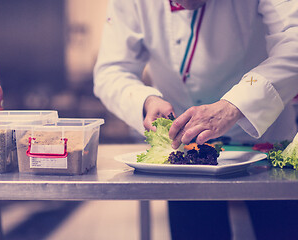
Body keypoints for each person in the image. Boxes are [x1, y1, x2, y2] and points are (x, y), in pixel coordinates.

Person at [94, 0, 298, 239]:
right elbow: (111, 70)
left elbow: (294, 45)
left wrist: (234, 105)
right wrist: (145, 100)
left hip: (266, 138)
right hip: (184, 152)